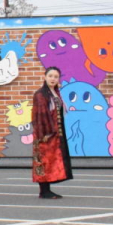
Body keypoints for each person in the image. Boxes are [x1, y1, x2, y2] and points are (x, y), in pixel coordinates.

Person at [32, 66, 73, 199]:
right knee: (44, 160)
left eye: (56, 77)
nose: (53, 79)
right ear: (45, 77)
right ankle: (44, 191)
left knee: (51, 160)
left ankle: (46, 190)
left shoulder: (55, 93)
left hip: (55, 133)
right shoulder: (40, 94)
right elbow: (40, 115)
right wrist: (45, 133)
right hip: (45, 133)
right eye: (50, 76)